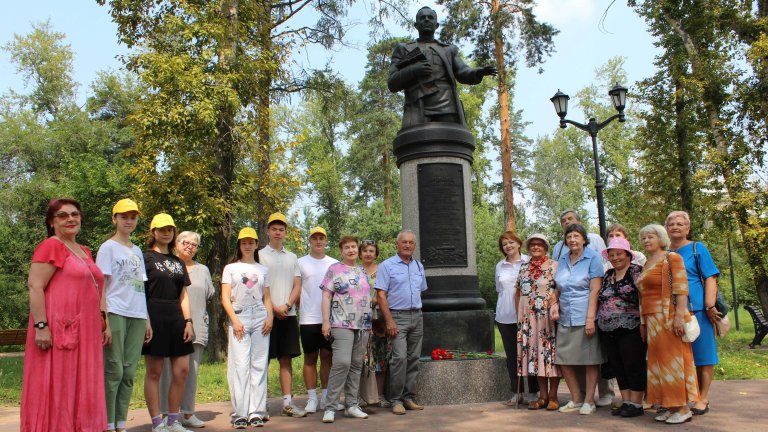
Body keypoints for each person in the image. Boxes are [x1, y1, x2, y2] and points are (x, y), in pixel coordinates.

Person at [21, 198, 109, 432]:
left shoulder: (85, 251)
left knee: (83, 385)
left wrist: (104, 322)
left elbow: (97, 288)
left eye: (75, 214)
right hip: (60, 330)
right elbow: (35, 286)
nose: (70, 219)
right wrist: (41, 326)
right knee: (61, 385)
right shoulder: (52, 245)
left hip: (87, 332)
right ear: (51, 222)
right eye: (62, 215)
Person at [387, 6, 497, 128]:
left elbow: (463, 71)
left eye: (431, 17)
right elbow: (392, 83)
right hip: (417, 104)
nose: (427, 20)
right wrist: (413, 70)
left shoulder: (448, 50)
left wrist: (478, 72)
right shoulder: (403, 49)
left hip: (447, 105)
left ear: (437, 25)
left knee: (452, 140)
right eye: (422, 18)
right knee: (415, 141)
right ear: (416, 25)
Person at [97, 199, 151, 432]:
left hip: (137, 315)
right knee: (114, 370)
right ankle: (107, 423)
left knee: (129, 371)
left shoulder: (137, 250)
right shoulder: (107, 247)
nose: (129, 221)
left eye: (133, 217)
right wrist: (104, 319)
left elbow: (140, 286)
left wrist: (147, 319)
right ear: (114, 219)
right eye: (124, 217)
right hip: (115, 312)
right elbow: (101, 286)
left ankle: (121, 423)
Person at [636, 224, 698, 424]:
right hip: (652, 319)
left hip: (669, 317)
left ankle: (682, 407)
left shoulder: (672, 258)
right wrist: (643, 322)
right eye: (643, 237)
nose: (646, 240)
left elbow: (681, 289)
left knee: (673, 363)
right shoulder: (646, 263)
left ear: (661, 238)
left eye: (650, 236)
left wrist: (679, 316)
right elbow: (642, 296)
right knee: (658, 364)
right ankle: (670, 406)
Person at [551, 210, 613, 407]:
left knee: (590, 359)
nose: (572, 240)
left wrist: (590, 319)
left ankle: (589, 401)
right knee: (564, 359)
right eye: (569, 236)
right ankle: (576, 398)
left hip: (585, 313)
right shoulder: (562, 259)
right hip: (565, 315)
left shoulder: (593, 257)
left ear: (584, 239)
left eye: (576, 236)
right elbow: (559, 286)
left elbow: (595, 289)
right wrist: (554, 302)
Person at [142, 213, 195, 432]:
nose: (166, 232)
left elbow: (183, 295)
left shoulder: (177, 262)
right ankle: (157, 423)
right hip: (153, 315)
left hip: (176, 317)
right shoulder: (144, 258)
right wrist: (145, 320)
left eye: (170, 229)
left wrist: (188, 321)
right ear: (153, 232)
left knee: (181, 371)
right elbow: (140, 292)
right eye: (162, 229)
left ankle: (173, 422)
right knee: (154, 372)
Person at [665, 211, 720, 416]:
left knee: (703, 355)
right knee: (678, 358)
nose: (675, 227)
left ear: (688, 228)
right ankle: (683, 397)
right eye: (671, 224)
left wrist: (709, 306)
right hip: (671, 312)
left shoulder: (698, 248)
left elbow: (710, 277)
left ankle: (702, 397)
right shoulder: (664, 252)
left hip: (696, 309)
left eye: (680, 223)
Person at [159, 231, 215, 428]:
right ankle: (166, 413)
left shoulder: (203, 270)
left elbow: (208, 294)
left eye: (194, 244)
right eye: (186, 242)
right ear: (176, 243)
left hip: (197, 324)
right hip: (170, 325)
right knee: (167, 370)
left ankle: (188, 413)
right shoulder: (166, 265)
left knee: (191, 370)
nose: (190, 246)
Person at [222, 227, 273, 428]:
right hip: (240, 317)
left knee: (259, 365)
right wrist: (234, 320)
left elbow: (267, 297)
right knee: (240, 365)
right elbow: (225, 297)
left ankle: (256, 412)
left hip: (260, 317)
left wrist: (270, 318)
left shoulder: (263, 270)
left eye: (251, 242)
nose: (247, 245)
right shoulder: (230, 268)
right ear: (240, 245)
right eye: (244, 242)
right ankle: (240, 413)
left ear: (256, 244)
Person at [320, 236, 373, 423]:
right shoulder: (334, 269)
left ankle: (351, 405)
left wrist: (371, 324)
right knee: (342, 362)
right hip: (341, 323)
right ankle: (330, 407)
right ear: (341, 250)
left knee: (357, 364)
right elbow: (326, 296)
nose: (351, 250)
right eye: (347, 247)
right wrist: (325, 321)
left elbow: (366, 298)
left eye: (353, 247)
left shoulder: (362, 271)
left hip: (363, 324)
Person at [258, 212, 306, 418]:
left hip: (288, 314)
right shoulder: (259, 255)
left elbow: (297, 285)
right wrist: (273, 308)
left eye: (281, 229)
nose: (278, 232)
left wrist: (286, 305)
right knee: (262, 361)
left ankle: (287, 402)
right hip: (264, 315)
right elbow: (256, 286)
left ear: (285, 232)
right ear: (268, 231)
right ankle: (261, 404)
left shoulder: (292, 257)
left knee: (286, 359)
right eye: (274, 229)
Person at [374, 230, 428, 415]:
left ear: (414, 245)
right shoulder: (387, 266)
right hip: (397, 317)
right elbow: (380, 295)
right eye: (404, 242)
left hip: (417, 316)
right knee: (399, 358)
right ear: (397, 244)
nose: (407, 245)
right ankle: (395, 399)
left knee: (413, 358)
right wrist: (389, 320)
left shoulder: (419, 266)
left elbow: (421, 290)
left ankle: (408, 397)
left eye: (411, 242)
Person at [597, 237, 646, 418]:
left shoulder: (636, 272)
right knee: (618, 365)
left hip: (631, 326)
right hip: (608, 328)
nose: (615, 258)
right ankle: (626, 401)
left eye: (619, 254)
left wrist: (644, 323)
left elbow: (644, 297)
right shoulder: (608, 275)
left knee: (633, 363)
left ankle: (636, 403)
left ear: (628, 255)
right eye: (612, 255)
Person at [515, 233, 560, 411]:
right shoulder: (523, 268)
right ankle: (543, 396)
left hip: (548, 318)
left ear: (546, 248)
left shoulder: (554, 266)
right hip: (529, 320)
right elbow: (518, 291)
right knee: (536, 357)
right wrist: (519, 315)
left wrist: (554, 303)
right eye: (532, 244)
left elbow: (559, 288)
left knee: (550, 356)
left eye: (540, 244)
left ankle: (554, 397)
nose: (535, 247)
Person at [494, 231, 539, 406]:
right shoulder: (500, 265)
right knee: (512, 357)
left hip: (527, 316)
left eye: (511, 242)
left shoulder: (529, 261)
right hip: (505, 316)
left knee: (530, 354)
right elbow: (500, 289)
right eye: (505, 244)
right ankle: (516, 392)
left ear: (519, 244)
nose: (508, 246)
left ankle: (534, 392)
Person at [298, 226, 338, 413]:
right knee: (310, 358)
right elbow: (297, 290)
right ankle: (312, 398)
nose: (318, 241)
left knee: (327, 357)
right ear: (310, 241)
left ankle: (326, 398)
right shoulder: (300, 263)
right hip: (308, 319)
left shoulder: (334, 263)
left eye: (322, 238)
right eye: (315, 238)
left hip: (330, 319)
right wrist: (302, 309)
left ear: (326, 241)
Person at [359, 239, 391, 407]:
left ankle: (379, 396)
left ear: (376, 253)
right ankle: (362, 396)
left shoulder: (383, 270)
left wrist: (376, 300)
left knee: (380, 358)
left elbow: (387, 291)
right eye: (365, 251)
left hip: (379, 320)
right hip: (360, 320)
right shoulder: (355, 271)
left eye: (371, 251)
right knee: (362, 359)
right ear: (360, 253)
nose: (368, 253)